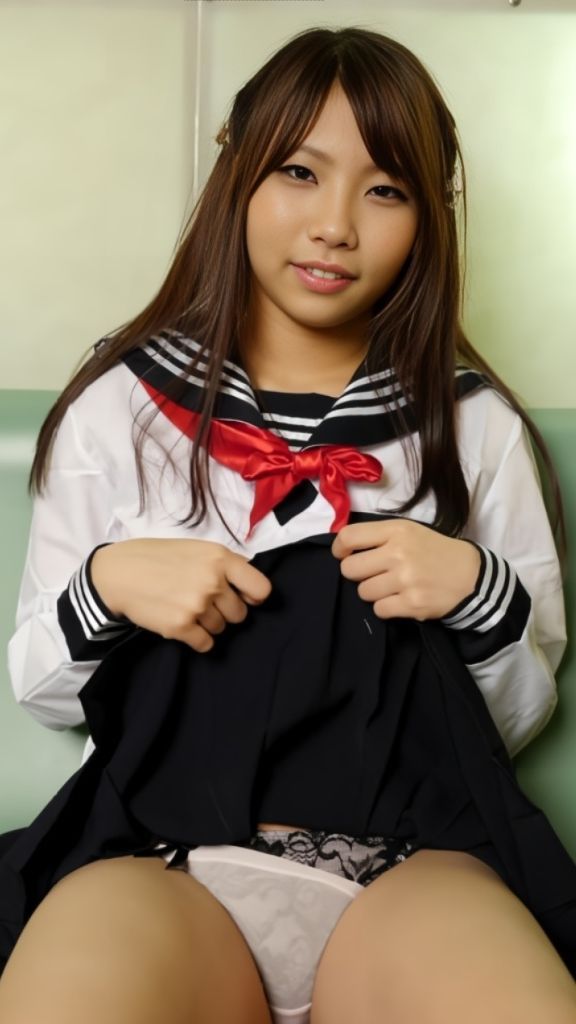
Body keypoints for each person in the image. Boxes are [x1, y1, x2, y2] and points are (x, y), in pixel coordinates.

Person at [0, 23, 575, 1024]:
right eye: (300, 172)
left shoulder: (473, 424)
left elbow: (519, 718)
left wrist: (477, 595)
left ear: (430, 214)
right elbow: (41, 691)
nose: (335, 225)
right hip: (159, 857)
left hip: (416, 867)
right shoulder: (121, 405)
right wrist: (107, 587)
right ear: (238, 169)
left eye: (386, 190)